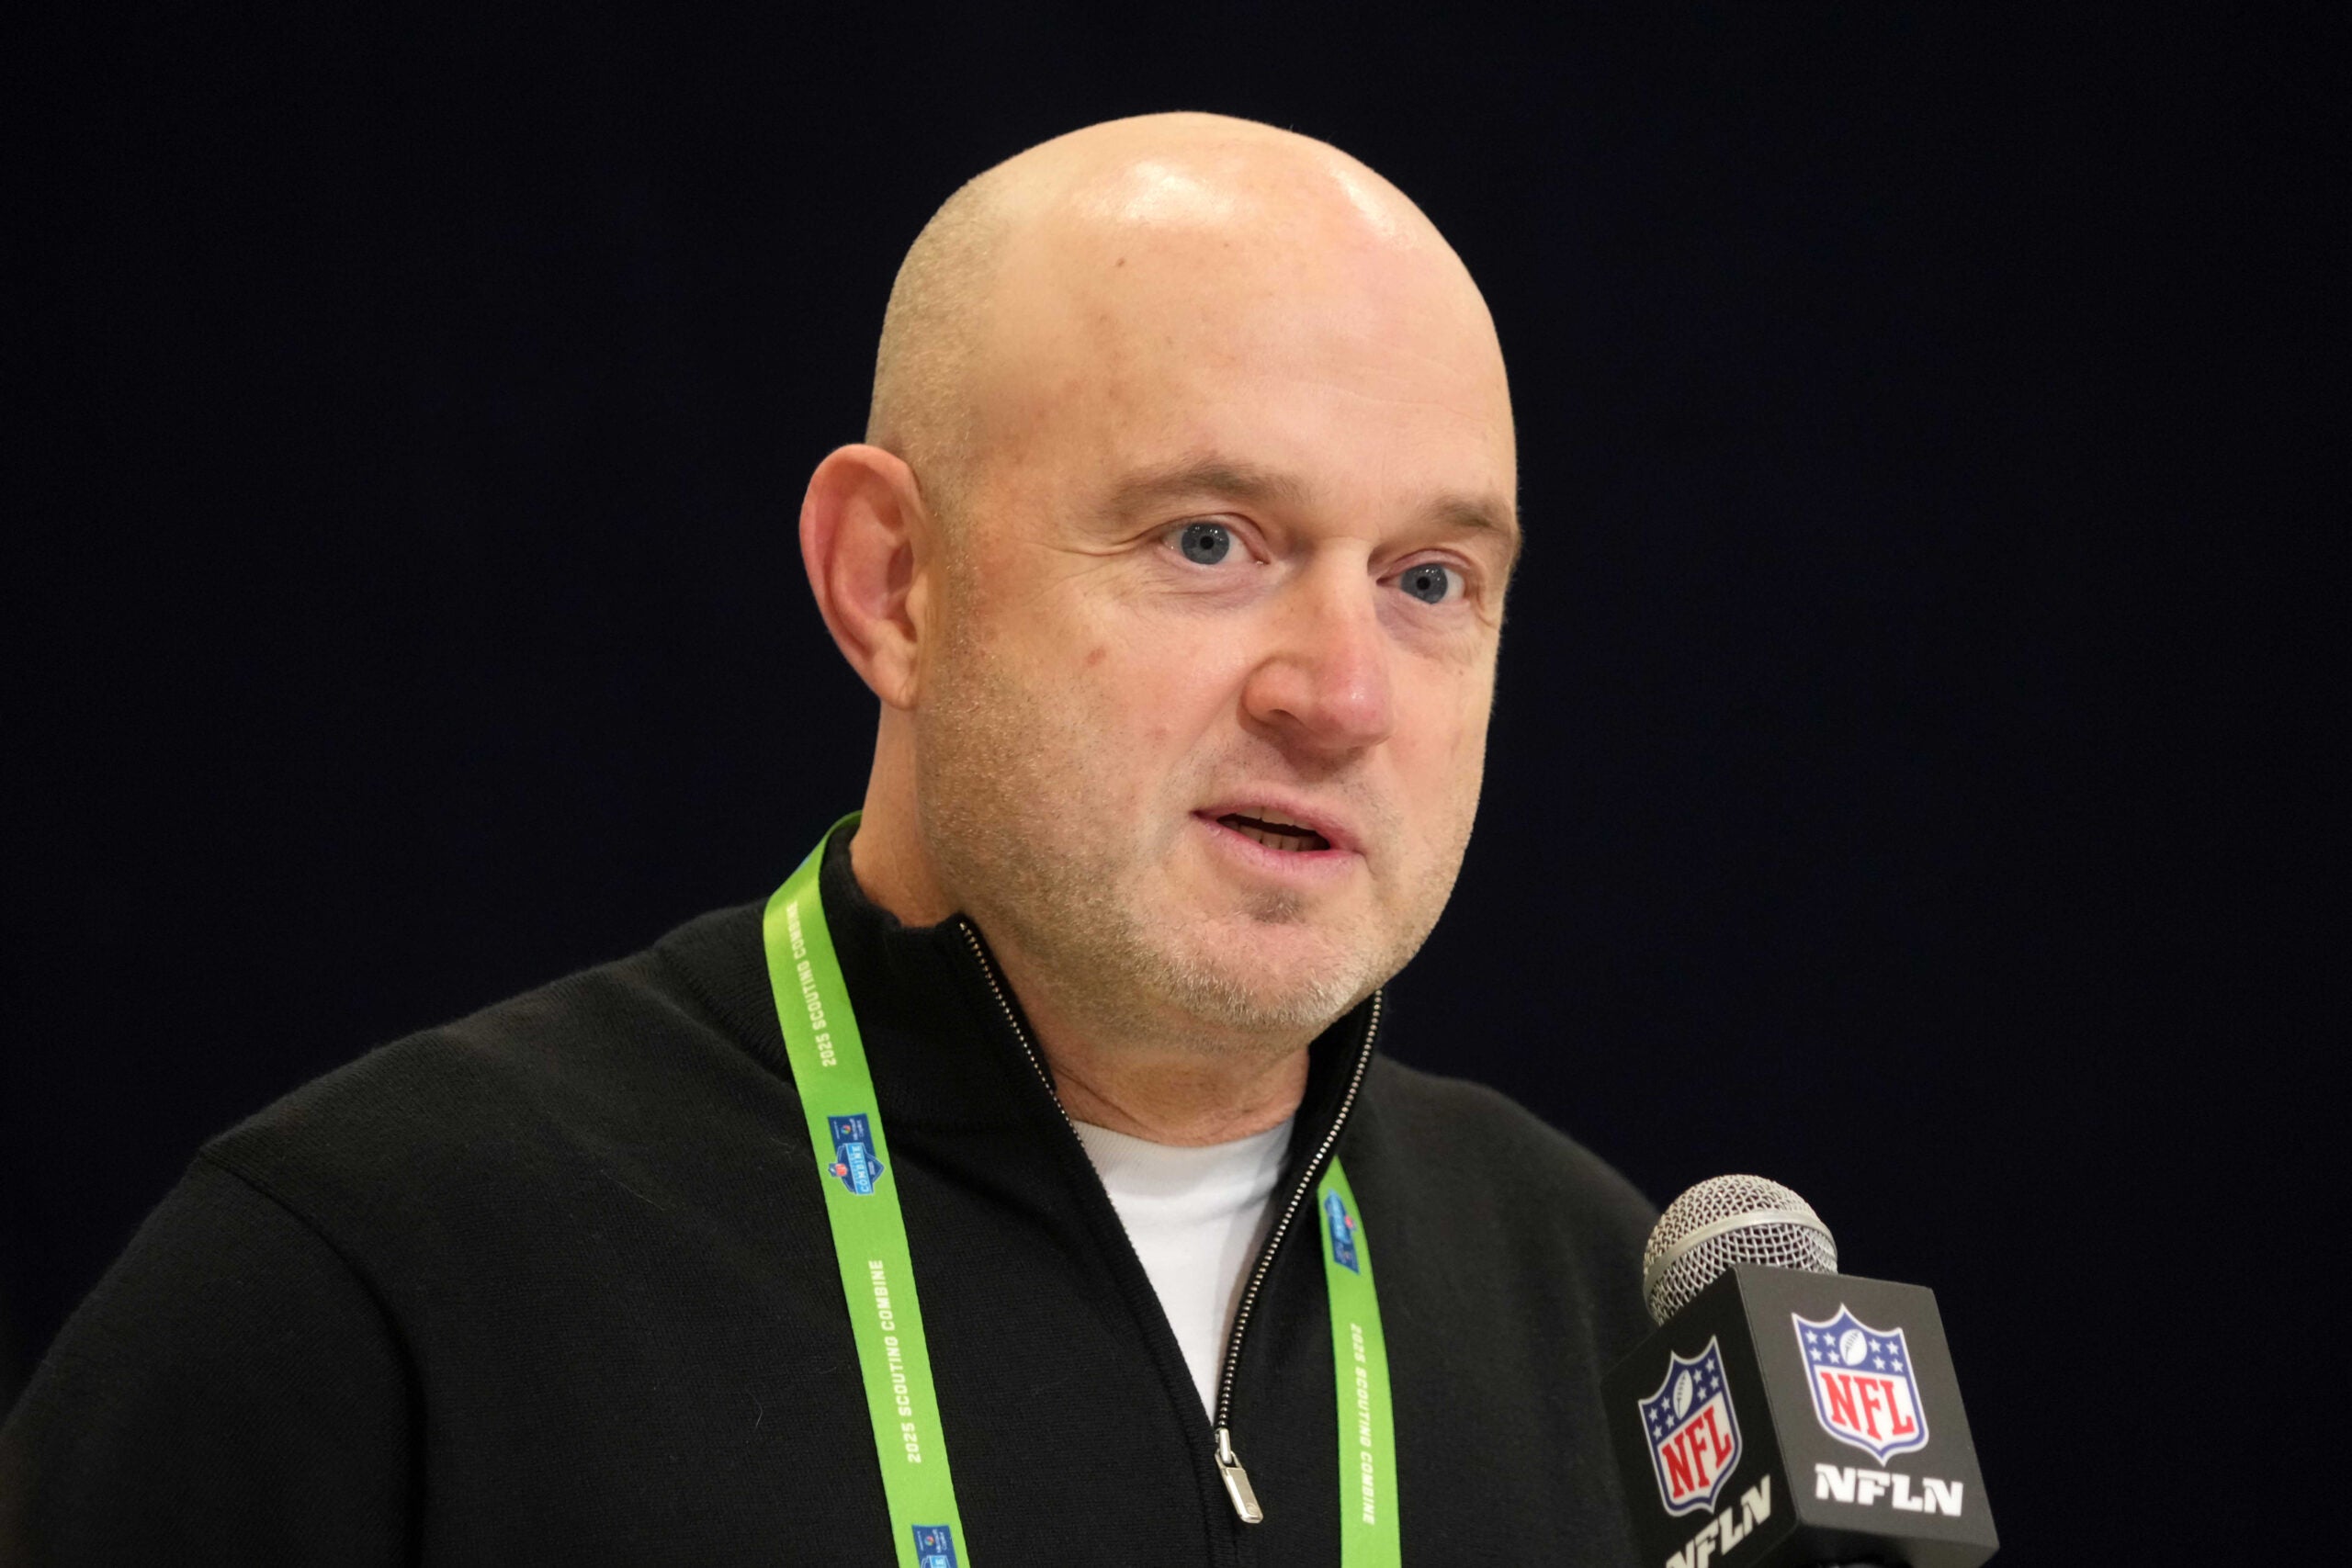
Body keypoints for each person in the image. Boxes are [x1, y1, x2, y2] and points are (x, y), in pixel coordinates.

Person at [0, 113, 1656, 1564]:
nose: (1342, 694)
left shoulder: (1623, 1321)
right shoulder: (374, 1285)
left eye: (1430, 580)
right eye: (1210, 540)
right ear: (891, 584)